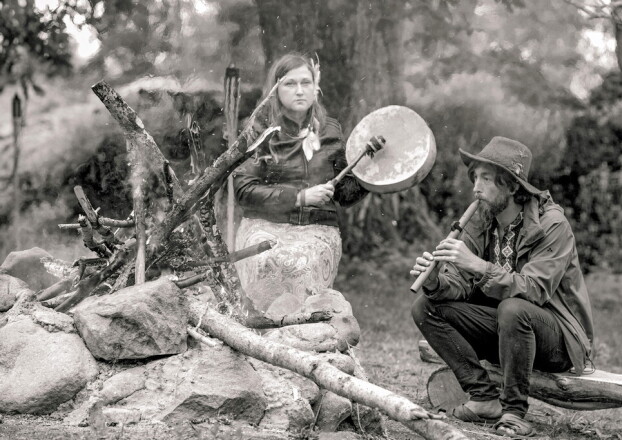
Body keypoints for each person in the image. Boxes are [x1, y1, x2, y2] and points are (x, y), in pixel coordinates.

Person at [410, 137, 594, 437]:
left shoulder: (552, 225)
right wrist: (435, 282)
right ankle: (483, 397)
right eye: (475, 178)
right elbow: (458, 284)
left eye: (485, 179)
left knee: (514, 308)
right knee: (426, 307)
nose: (475, 187)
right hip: (506, 334)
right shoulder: (481, 220)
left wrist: (480, 266)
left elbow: (534, 289)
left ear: (511, 186)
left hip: (558, 339)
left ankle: (514, 413)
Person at [233, 53, 371, 315]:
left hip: (317, 229)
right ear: (275, 89)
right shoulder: (258, 130)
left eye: (305, 83)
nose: (299, 91)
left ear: (315, 86)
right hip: (264, 225)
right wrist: (299, 197)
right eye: (289, 83)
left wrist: (369, 170)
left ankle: (305, 336)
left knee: (304, 263)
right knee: (266, 259)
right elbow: (244, 191)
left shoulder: (330, 130)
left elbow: (345, 195)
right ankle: (262, 333)